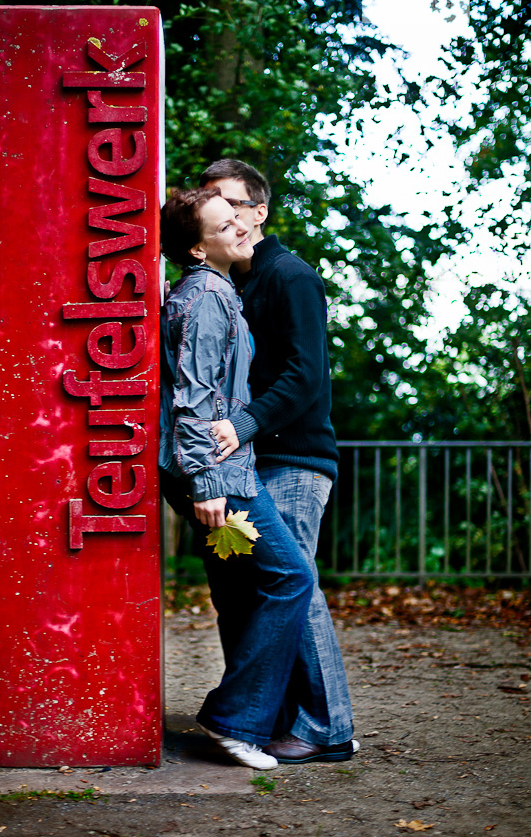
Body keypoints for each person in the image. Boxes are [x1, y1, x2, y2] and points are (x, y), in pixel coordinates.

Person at [198, 158, 357, 764]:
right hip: (245, 463)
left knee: (295, 585)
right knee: (254, 593)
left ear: (259, 211)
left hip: (292, 458)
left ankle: (326, 728)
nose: (221, 211)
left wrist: (242, 425)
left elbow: (305, 374)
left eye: (231, 201)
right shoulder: (226, 281)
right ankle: (277, 719)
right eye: (210, 201)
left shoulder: (290, 276)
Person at [158, 186, 313, 771]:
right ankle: (234, 719)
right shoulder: (206, 297)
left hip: (222, 468)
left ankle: (252, 719)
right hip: (219, 475)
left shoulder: (213, 290)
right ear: (198, 248)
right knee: (291, 578)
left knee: (249, 591)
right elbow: (194, 395)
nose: (241, 229)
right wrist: (207, 483)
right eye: (225, 226)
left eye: (238, 219)